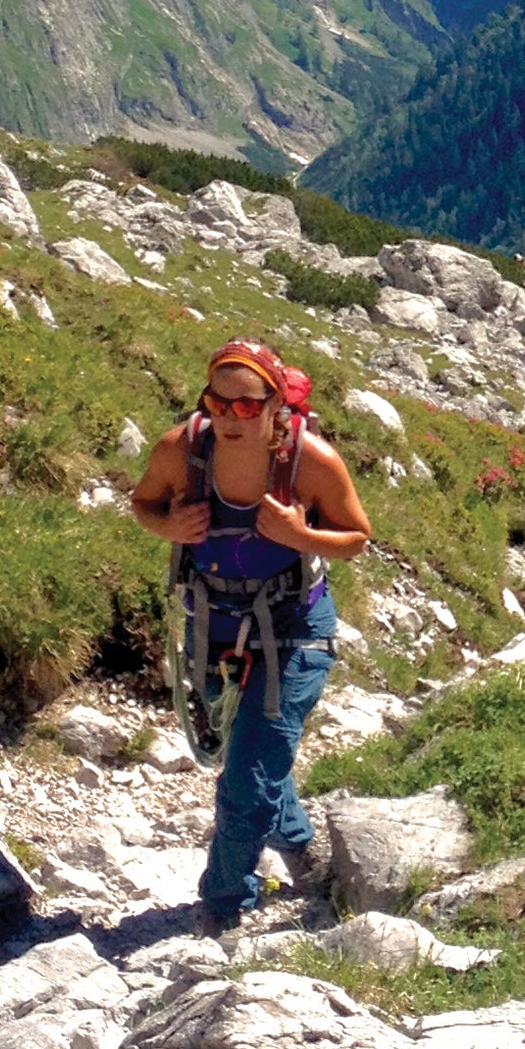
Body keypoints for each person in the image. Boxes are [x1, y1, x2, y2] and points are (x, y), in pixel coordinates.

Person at [128, 339, 373, 930]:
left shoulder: (309, 461)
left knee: (247, 774)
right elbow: (142, 504)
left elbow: (357, 536)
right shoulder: (181, 451)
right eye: (218, 401)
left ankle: (223, 904)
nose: (229, 416)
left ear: (274, 406)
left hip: (294, 627)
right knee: (248, 748)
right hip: (211, 624)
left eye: (246, 405)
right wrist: (169, 525)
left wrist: (300, 535)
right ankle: (302, 848)